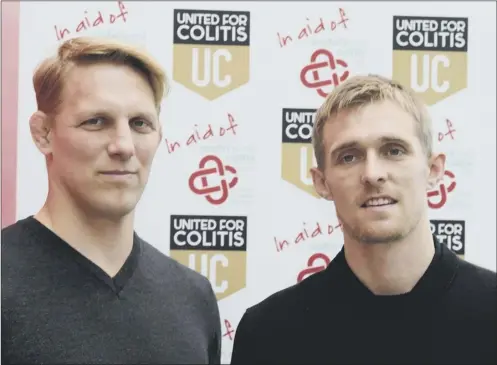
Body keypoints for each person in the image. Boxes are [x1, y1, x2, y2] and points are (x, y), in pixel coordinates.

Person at [230, 74, 496, 365]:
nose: (372, 173)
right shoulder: (269, 333)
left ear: (433, 170)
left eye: (394, 150)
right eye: (348, 157)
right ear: (322, 182)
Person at [1, 36, 221, 364]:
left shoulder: (193, 297)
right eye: (96, 122)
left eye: (139, 124)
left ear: (159, 135)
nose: (123, 145)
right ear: (44, 133)